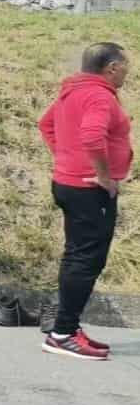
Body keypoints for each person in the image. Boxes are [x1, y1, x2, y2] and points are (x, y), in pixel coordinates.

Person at [38, 43, 132, 360]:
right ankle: (62, 334)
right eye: (126, 65)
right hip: (89, 190)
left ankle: (66, 327)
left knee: (78, 255)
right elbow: (93, 136)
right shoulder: (99, 95)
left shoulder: (73, 91)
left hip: (69, 184)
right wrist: (103, 176)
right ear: (112, 67)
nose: (128, 71)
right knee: (86, 260)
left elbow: (46, 124)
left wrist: (66, 160)